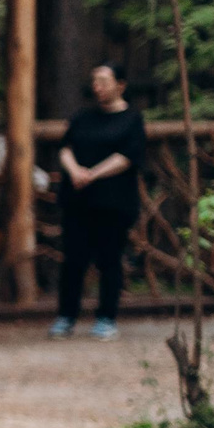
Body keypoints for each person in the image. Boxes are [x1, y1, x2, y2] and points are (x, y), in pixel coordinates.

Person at [53, 63, 146, 341]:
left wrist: (92, 174)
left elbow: (127, 157)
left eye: (104, 81)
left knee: (110, 259)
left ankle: (106, 317)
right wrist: (75, 171)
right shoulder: (83, 117)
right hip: (78, 200)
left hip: (113, 202)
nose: (98, 86)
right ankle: (66, 316)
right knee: (73, 259)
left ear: (120, 85)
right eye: (95, 81)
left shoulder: (131, 119)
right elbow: (65, 147)